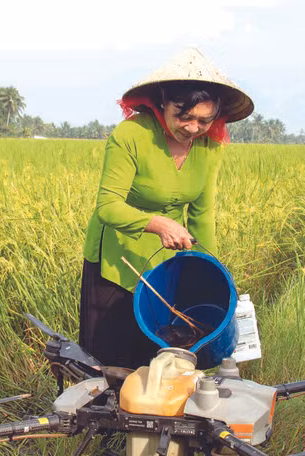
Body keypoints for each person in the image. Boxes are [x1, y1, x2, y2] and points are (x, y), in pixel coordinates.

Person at [79, 47, 254, 369]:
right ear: (162, 103)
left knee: (165, 347)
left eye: (204, 120)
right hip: (119, 254)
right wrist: (158, 224)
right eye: (183, 116)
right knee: (114, 359)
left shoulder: (209, 145)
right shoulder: (132, 134)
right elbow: (108, 206)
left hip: (168, 257)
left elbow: (202, 213)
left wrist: (211, 268)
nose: (192, 127)